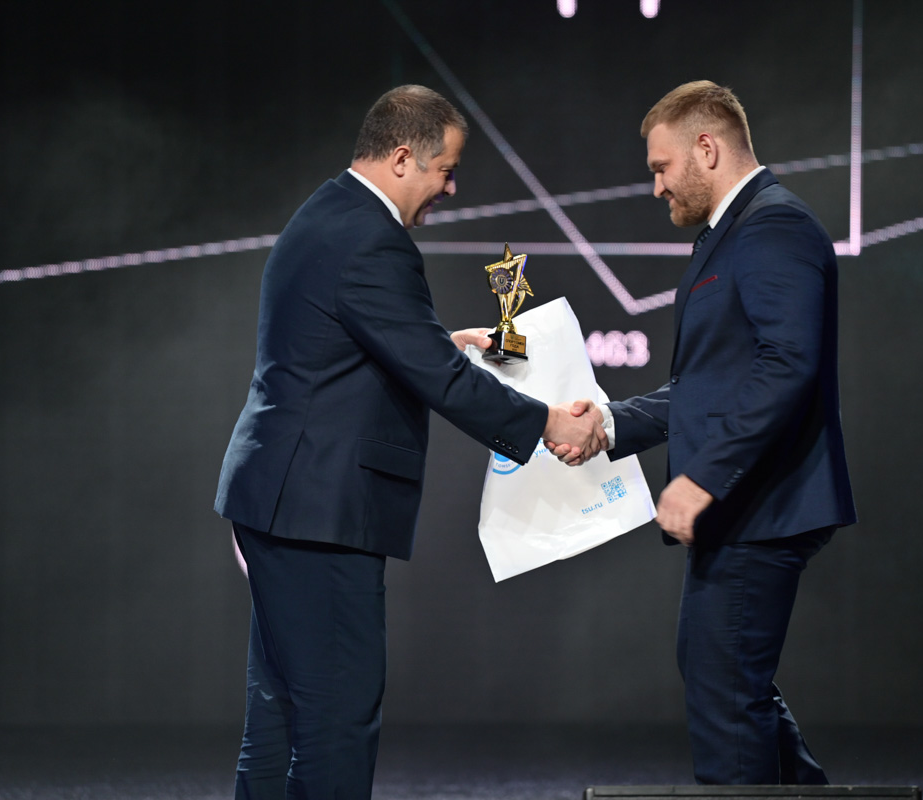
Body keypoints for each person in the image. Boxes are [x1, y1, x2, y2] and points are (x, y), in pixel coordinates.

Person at [214, 84, 605, 799]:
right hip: (318, 512)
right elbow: (437, 378)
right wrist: (548, 423)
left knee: (279, 713)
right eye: (446, 170)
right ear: (402, 158)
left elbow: (348, 348)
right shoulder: (372, 238)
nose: (451, 188)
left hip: (284, 499)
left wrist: (439, 344)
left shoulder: (331, 212)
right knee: (336, 717)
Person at [551, 81, 856, 785]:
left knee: (725, 694)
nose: (656, 186)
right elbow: (710, 386)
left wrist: (704, 477)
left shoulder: (773, 227)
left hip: (760, 504)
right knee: (722, 681)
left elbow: (788, 365)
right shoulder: (737, 231)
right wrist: (610, 423)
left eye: (662, 167)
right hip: (746, 507)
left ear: (707, 148)